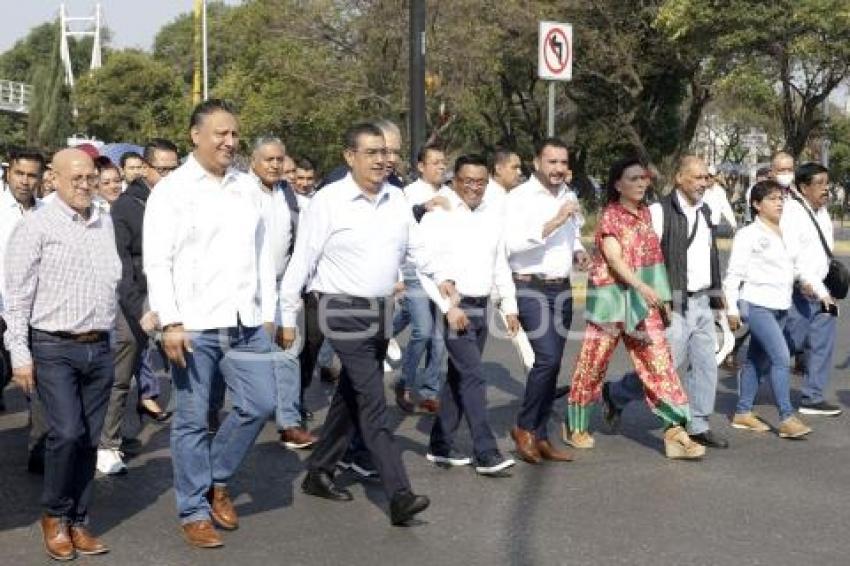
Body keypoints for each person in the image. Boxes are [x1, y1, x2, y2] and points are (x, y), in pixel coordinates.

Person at [279, 122, 446, 526]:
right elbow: (302, 260)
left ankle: (319, 471)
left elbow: (420, 252)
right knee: (373, 401)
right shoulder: (329, 201)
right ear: (349, 157)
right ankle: (399, 495)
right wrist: (286, 316)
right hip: (340, 310)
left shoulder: (395, 199)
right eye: (371, 153)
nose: (381, 160)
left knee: (352, 396)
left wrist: (445, 286)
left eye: (385, 153)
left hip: (380, 311)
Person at [143, 99, 278, 548]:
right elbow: (157, 261)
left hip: (245, 320)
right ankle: (195, 509)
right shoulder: (173, 190)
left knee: (260, 403)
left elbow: (261, 256)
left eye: (235, 133)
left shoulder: (245, 186)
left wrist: (267, 313)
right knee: (193, 419)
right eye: (220, 133)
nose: (230, 141)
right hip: (195, 324)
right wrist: (171, 322)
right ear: (194, 136)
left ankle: (216, 477)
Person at [5, 148, 121, 560]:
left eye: (92, 177)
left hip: (99, 347)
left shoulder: (104, 219)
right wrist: (19, 353)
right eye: (77, 179)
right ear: (53, 178)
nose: (87, 185)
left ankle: (78, 519)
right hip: (54, 347)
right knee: (66, 433)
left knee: (90, 439)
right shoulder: (37, 226)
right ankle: (54, 516)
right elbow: (15, 298)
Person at [565, 156, 705, 460]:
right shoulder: (610, 216)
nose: (640, 184)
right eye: (633, 179)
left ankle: (676, 433)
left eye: (643, 179)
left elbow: (654, 260)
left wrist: (663, 298)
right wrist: (643, 288)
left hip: (644, 305)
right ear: (617, 185)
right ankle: (575, 424)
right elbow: (614, 260)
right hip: (610, 301)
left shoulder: (646, 216)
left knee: (660, 364)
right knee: (593, 364)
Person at [603, 156, 729, 449]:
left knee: (705, 364)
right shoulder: (659, 212)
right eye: (697, 178)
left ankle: (697, 424)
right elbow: (646, 258)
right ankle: (617, 393)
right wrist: (656, 300)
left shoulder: (705, 210)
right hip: (671, 303)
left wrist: (717, 291)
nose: (703, 183)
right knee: (663, 366)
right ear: (679, 179)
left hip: (701, 299)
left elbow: (708, 254)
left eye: (706, 178)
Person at [418, 154, 520, 475]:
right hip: (455, 309)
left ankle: (439, 443)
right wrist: (449, 307)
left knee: (459, 377)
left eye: (480, 182)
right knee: (474, 375)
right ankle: (485, 451)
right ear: (455, 180)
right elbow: (424, 267)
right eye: (467, 181)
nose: (474, 187)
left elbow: (499, 264)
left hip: (482, 306)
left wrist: (509, 305)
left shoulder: (492, 216)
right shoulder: (440, 214)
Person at [96, 139, 179, 476]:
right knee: (120, 377)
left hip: (169, 297)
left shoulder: (177, 199)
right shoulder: (128, 206)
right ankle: (106, 444)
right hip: (135, 301)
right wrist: (138, 308)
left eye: (174, 169)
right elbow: (123, 265)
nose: (169, 176)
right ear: (145, 168)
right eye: (162, 169)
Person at [505, 137, 587, 464]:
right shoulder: (519, 198)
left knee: (553, 366)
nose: (558, 169)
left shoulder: (568, 194)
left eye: (563, 163)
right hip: (530, 286)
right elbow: (512, 245)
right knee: (547, 359)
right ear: (536, 162)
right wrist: (555, 220)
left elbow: (574, 232)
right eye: (551, 162)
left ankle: (540, 435)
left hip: (561, 287)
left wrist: (579, 251)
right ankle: (524, 427)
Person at [725, 180, 812, 438]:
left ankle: (742, 412)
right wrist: (731, 308)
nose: (779, 203)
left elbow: (794, 266)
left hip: (781, 305)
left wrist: (807, 283)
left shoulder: (785, 232)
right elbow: (733, 275)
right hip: (756, 304)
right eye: (772, 199)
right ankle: (786, 417)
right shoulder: (748, 235)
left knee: (755, 361)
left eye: (781, 198)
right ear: (756, 204)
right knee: (781, 358)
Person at [249, 136, 317, 449]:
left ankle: (289, 421)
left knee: (288, 350)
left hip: (280, 285)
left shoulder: (290, 197)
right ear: (253, 160)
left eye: (280, 160)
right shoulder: (241, 194)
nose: (276, 165)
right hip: (243, 288)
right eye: (269, 159)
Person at [781, 162, 841, 416]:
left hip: (822, 288)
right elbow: (792, 256)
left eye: (827, 183)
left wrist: (825, 287)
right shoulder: (793, 213)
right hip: (801, 288)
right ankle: (752, 374)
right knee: (788, 343)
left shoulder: (822, 212)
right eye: (819, 184)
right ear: (804, 187)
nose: (825, 189)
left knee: (822, 342)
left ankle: (812, 397)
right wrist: (805, 282)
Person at [393, 143, 449, 414]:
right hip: (415, 271)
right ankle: (404, 382)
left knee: (439, 338)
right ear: (421, 166)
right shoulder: (407, 194)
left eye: (443, 162)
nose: (441, 166)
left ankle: (430, 391)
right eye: (435, 162)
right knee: (422, 331)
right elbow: (400, 229)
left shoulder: (449, 194)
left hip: (442, 273)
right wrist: (425, 206)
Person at [0, 148, 47, 463]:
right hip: (2, 308)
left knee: (41, 381)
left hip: (38, 312)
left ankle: (40, 450)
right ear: (8, 173)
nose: (25, 181)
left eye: (32, 175)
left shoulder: (47, 213)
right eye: (20, 173)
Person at [704, 165, 737, 232]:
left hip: (713, 224)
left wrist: (733, 223)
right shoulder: (700, 189)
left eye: (711, 176)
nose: (709, 179)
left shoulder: (720, 191)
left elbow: (725, 207)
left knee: (712, 242)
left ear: (715, 177)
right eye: (707, 177)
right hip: (701, 224)